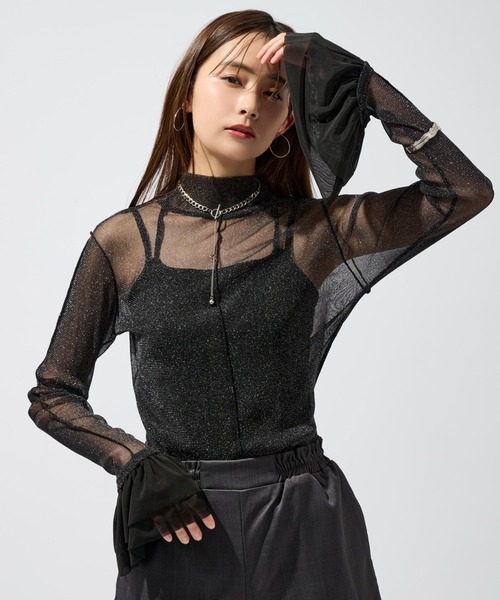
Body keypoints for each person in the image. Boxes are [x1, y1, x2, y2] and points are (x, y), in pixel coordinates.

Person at [27, 9, 493, 600]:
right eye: (232, 79)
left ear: (287, 123)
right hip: (175, 516)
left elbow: (463, 191)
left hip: (304, 520)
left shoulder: (316, 233)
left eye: (273, 93)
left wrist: (361, 84)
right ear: (186, 96)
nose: (250, 104)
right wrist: (132, 460)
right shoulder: (124, 243)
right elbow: (53, 394)